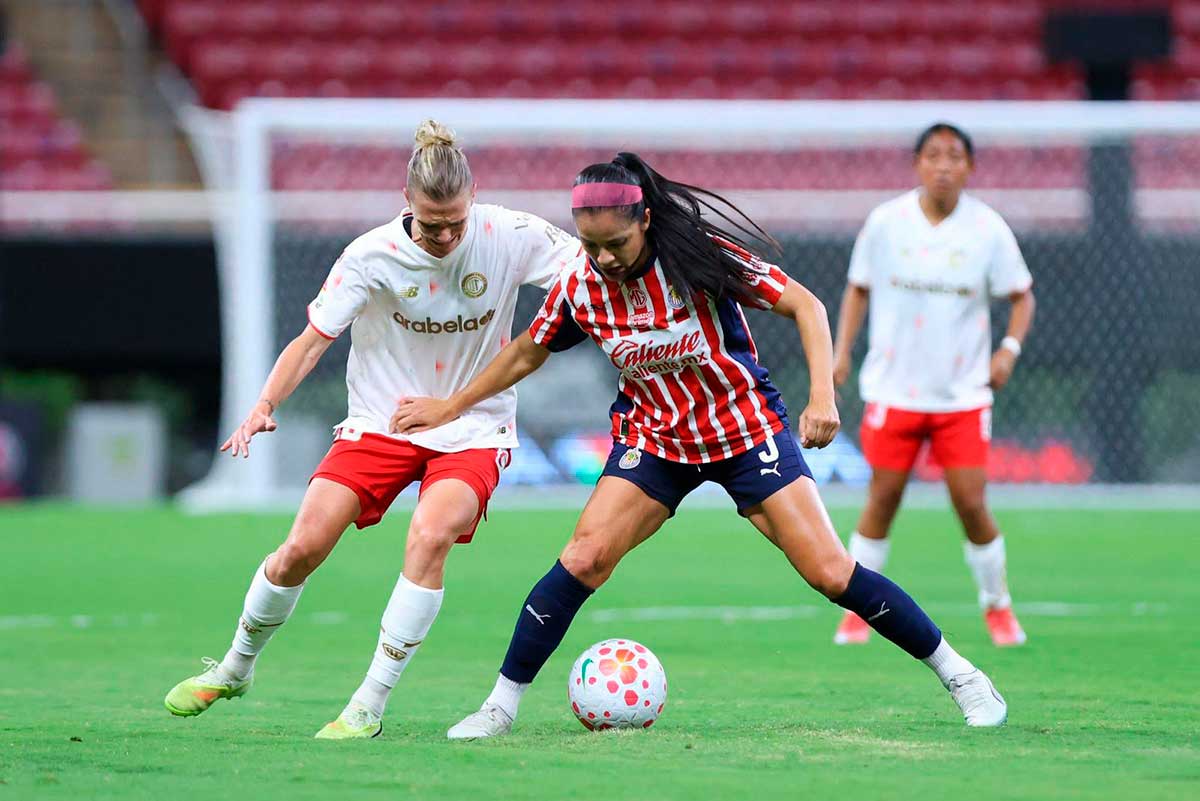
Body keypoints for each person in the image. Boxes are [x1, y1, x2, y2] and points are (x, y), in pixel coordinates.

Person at [391, 152, 1009, 738]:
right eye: (590, 244)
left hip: (744, 431)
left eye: (616, 243)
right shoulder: (580, 284)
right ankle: (498, 709)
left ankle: (964, 678)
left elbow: (806, 305)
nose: (604, 258)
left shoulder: (696, 257)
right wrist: (451, 405)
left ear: (645, 220)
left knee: (829, 572)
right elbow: (528, 350)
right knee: (583, 558)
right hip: (655, 441)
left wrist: (822, 395)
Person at [162, 120, 581, 738]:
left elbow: (596, 268)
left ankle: (369, 703)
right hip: (381, 424)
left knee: (430, 535)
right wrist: (263, 404)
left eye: (455, 222)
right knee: (301, 547)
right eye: (431, 224)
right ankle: (235, 667)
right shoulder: (369, 255)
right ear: (406, 202)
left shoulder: (510, 234)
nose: (445, 236)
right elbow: (312, 342)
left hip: (473, 427)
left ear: (474, 198)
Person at [830, 123, 1036, 648]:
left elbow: (1022, 295)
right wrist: (841, 351)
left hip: (961, 396)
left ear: (970, 166)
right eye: (933, 155)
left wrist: (1008, 350)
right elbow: (858, 289)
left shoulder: (987, 229)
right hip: (894, 391)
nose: (943, 165)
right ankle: (858, 612)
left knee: (970, 501)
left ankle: (998, 606)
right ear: (917, 162)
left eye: (954, 156)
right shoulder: (886, 222)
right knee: (882, 498)